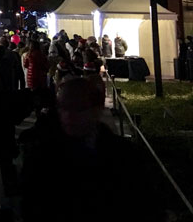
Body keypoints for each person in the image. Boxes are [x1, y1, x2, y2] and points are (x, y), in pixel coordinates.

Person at [21, 76, 161, 221]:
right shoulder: (43, 154)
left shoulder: (124, 156)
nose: (69, 115)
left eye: (78, 109)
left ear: (97, 110)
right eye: (63, 107)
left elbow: (143, 204)